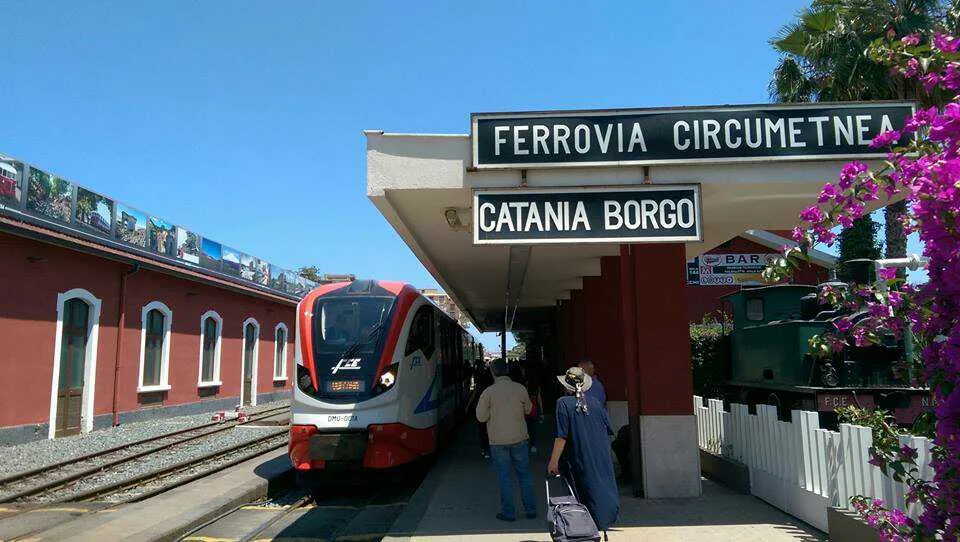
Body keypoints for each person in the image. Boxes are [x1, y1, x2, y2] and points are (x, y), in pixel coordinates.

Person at [547, 366, 619, 532]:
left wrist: (553, 461)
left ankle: (582, 529)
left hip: (577, 455)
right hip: (599, 454)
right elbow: (607, 430)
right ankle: (600, 524)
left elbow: (561, 436)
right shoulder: (595, 403)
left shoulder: (563, 403)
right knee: (598, 488)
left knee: (579, 492)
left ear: (567, 386)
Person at [476, 360, 537, 522]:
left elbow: (480, 417)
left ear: (492, 372)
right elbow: (529, 410)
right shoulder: (520, 388)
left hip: (498, 441)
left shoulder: (488, 392)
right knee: (524, 475)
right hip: (520, 438)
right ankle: (530, 509)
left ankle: (509, 513)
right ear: (508, 370)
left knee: (504, 477)